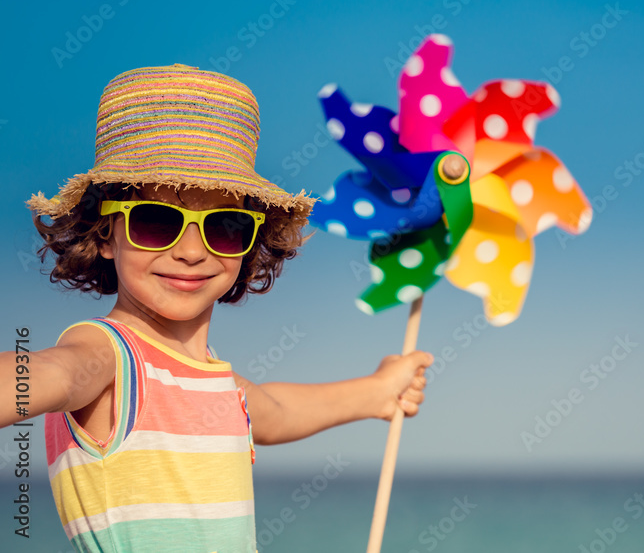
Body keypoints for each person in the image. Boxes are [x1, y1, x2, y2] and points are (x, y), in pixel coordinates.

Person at [2, 64, 433, 552]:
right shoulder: (108, 359)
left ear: (250, 241)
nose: (191, 251)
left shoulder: (220, 384)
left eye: (224, 226)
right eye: (155, 222)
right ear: (105, 233)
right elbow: (49, 375)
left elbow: (278, 410)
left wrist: (377, 392)